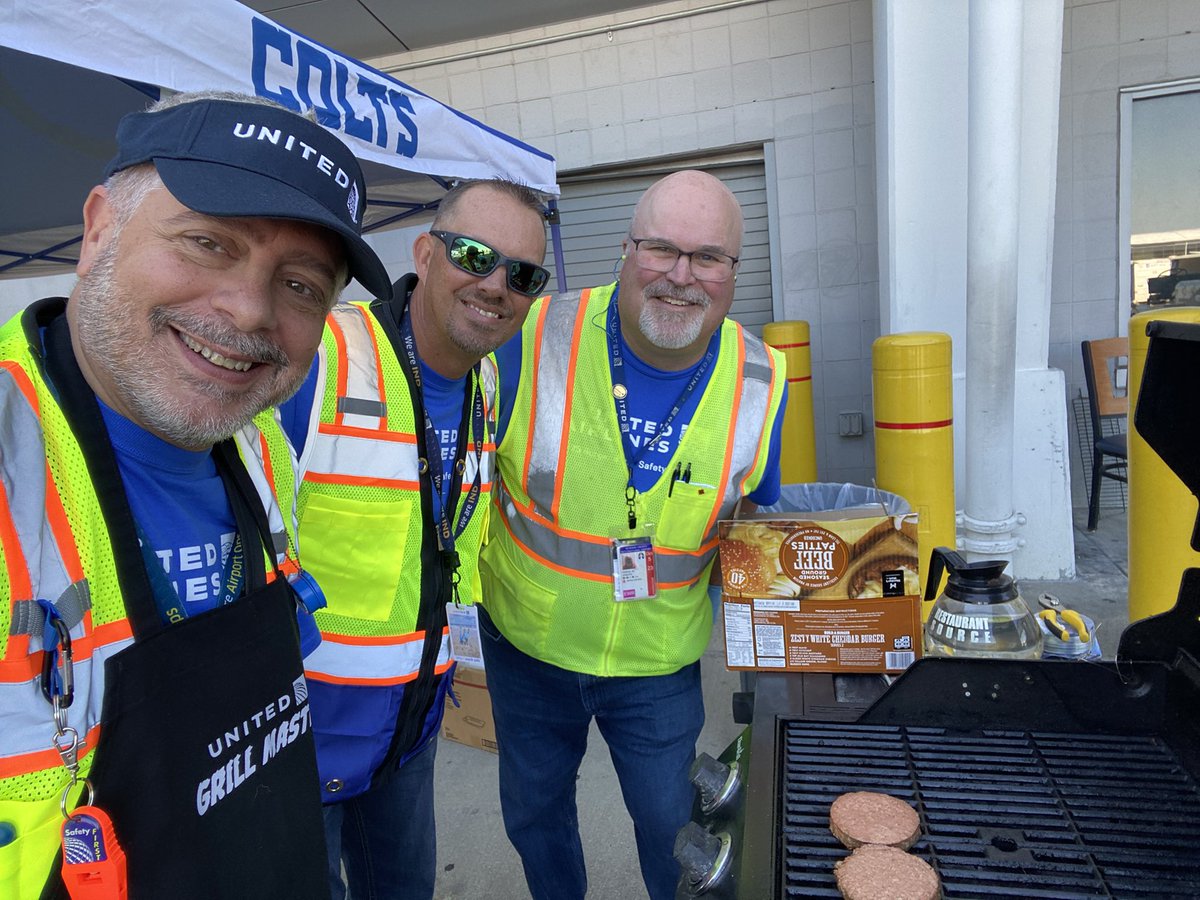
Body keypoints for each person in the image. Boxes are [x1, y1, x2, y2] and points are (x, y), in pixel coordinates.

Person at [0, 90, 392, 900]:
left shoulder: (256, 446)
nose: (250, 309)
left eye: (301, 286)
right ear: (100, 226)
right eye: (209, 242)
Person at [479, 169, 787, 900]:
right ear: (625, 249)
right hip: (527, 650)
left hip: (658, 665)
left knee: (672, 828)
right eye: (661, 249)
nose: (682, 277)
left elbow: (757, 541)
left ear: (733, 273)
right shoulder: (532, 335)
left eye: (708, 257)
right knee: (535, 815)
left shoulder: (759, 379)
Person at [278, 178, 549, 900]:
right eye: (473, 254)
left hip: (412, 727)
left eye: (522, 275)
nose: (496, 285)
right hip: (299, 743)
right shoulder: (323, 356)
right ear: (424, 253)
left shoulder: (488, 384)